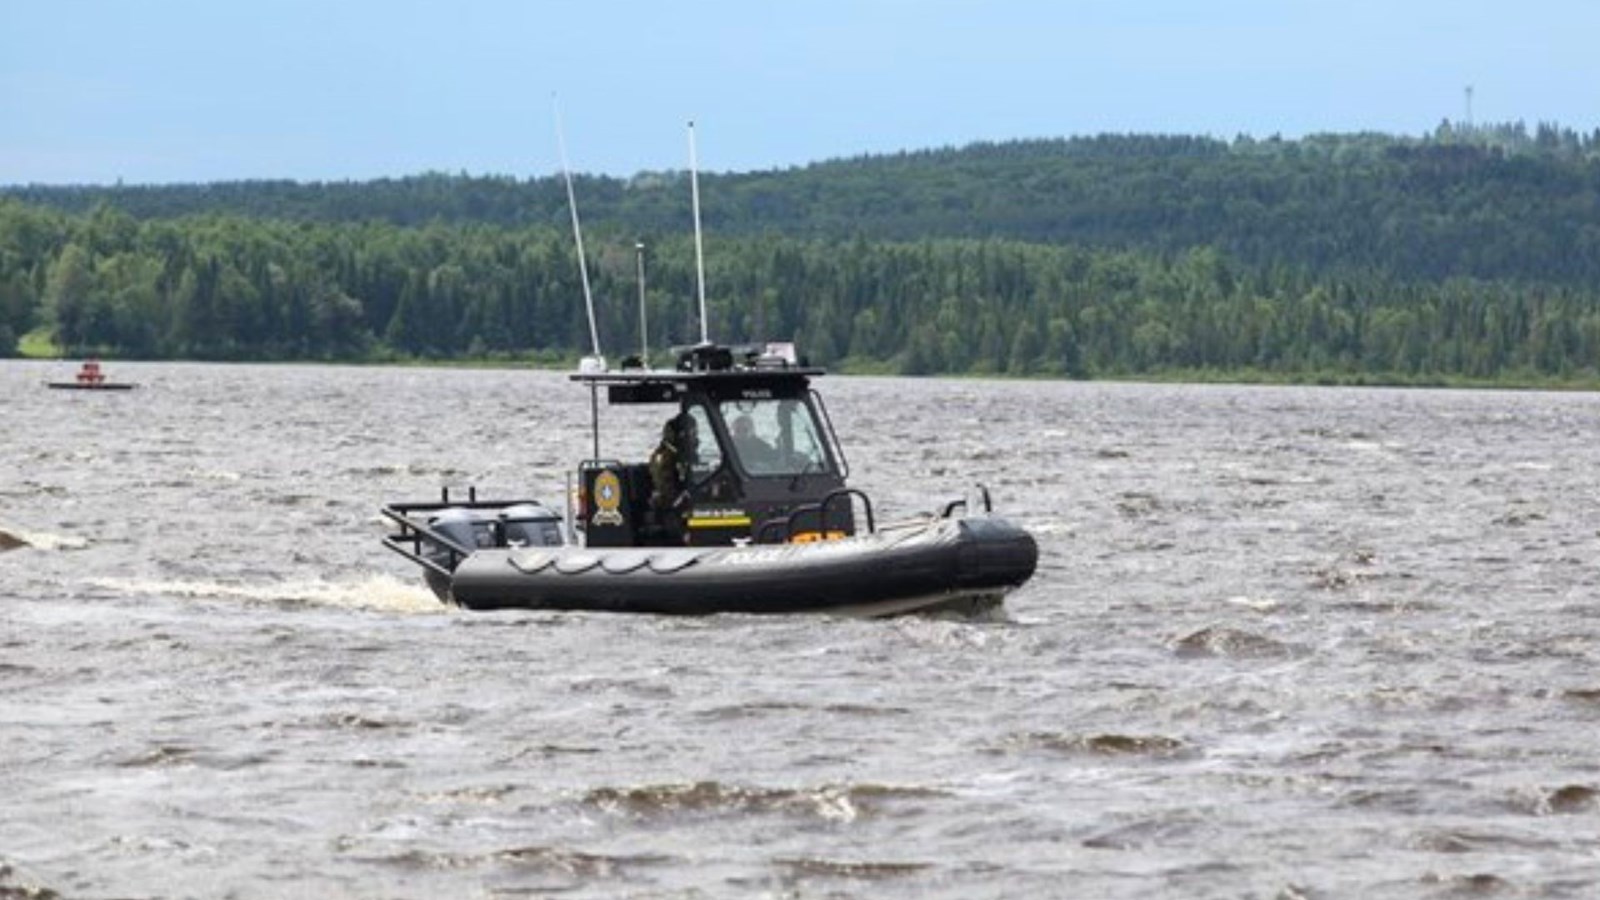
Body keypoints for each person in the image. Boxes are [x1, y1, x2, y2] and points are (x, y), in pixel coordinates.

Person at [649, 412, 696, 530]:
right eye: (690, 432)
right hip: (670, 505)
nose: (692, 436)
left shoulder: (685, 454)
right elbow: (662, 484)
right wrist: (680, 496)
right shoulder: (663, 456)